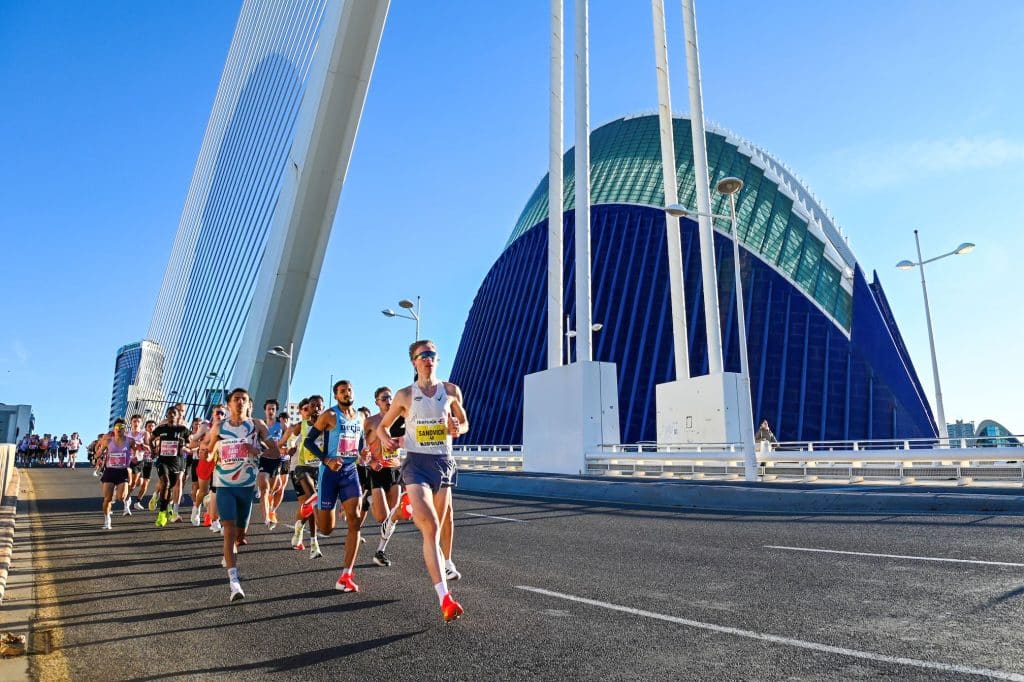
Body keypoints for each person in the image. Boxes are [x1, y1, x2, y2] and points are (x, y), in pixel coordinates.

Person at [376, 340, 468, 622]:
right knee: (431, 527)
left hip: (444, 462)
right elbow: (382, 427)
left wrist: (457, 427)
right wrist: (386, 440)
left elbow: (464, 423)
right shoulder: (405, 395)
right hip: (416, 464)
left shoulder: (451, 391)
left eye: (432, 354)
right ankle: (445, 598)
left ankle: (444, 558)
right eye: (422, 355)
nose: (428, 358)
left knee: (445, 519)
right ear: (414, 362)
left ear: (437, 359)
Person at [206, 387, 276, 602]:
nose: (239, 402)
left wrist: (257, 451)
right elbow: (208, 453)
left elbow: (275, 452)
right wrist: (213, 447)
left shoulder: (257, 425)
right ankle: (234, 581)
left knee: (239, 535)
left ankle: (232, 549)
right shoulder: (220, 427)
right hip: (224, 484)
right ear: (229, 404)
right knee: (228, 530)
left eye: (243, 399)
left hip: (246, 486)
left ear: (248, 404)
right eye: (236, 399)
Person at [304, 381, 368, 592]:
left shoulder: (360, 417)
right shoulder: (329, 416)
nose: (347, 393)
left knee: (355, 521)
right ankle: (313, 505)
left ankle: (346, 576)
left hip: (350, 472)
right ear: (336, 396)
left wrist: (363, 453)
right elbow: (308, 442)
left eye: (349, 390)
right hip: (329, 474)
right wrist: (326, 460)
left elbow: (359, 443)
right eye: (342, 391)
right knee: (326, 529)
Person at [364, 386, 405, 567]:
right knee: (382, 517)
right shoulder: (371, 421)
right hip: (377, 470)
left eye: (390, 398)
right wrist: (371, 461)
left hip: (395, 469)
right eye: (384, 398)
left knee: (393, 516)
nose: (388, 401)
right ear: (377, 402)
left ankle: (380, 551)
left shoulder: (400, 419)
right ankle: (370, 498)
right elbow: (359, 446)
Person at [281, 396, 324, 556]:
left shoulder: (325, 426)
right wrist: (289, 448)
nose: (311, 410)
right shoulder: (300, 426)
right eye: (306, 408)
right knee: (311, 503)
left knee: (308, 506)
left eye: (317, 406)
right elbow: (288, 441)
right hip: (299, 469)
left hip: (318, 469)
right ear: (302, 411)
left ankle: (299, 527)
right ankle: (314, 542)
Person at [151, 406, 191, 527]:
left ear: (178, 415)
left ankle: (166, 509)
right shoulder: (161, 428)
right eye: (169, 413)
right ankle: (162, 514)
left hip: (176, 462)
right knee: (166, 483)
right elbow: (151, 439)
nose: (172, 415)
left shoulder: (183, 430)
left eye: (174, 413)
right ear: (167, 415)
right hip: (162, 461)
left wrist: (184, 446)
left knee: (170, 488)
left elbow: (190, 443)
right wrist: (153, 450)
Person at [95, 419, 132, 529]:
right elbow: (98, 452)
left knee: (121, 497)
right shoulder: (108, 441)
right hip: (110, 471)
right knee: (107, 499)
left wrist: (139, 454)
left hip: (122, 471)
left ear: (125, 429)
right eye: (117, 427)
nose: (119, 429)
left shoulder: (130, 441)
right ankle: (107, 521)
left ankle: (119, 494)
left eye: (121, 427)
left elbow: (139, 450)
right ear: (114, 429)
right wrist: (98, 454)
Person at [256, 399, 284, 528]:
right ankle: (266, 518)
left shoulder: (281, 425)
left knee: (275, 489)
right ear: (265, 410)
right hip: (263, 459)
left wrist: (287, 448)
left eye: (273, 409)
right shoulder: (261, 425)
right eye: (269, 409)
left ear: (276, 411)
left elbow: (290, 438)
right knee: (264, 489)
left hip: (277, 460)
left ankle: (272, 510)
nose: (271, 411)